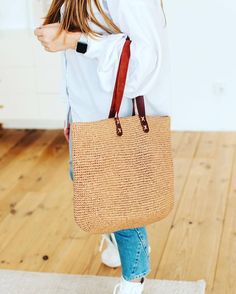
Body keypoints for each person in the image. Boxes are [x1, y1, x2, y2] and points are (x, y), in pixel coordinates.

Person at [34, 0, 172, 293]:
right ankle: (114, 237)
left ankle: (134, 279)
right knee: (85, 183)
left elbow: (145, 59)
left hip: (116, 116)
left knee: (122, 202)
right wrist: (70, 108)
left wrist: (72, 40)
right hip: (85, 113)